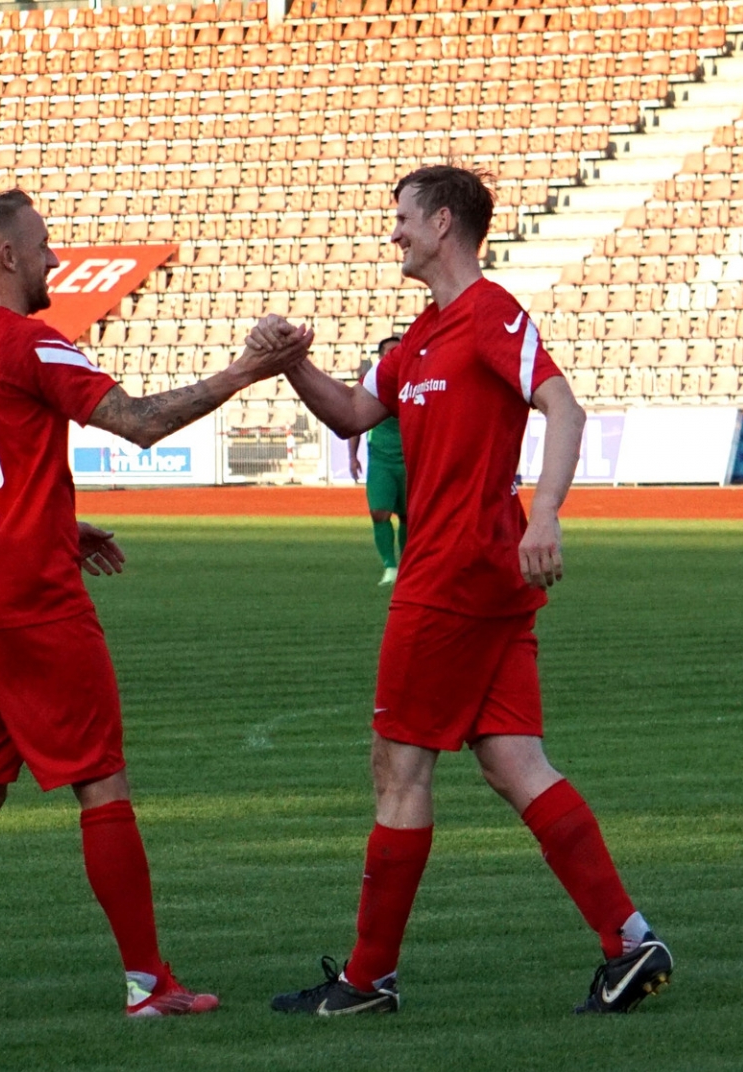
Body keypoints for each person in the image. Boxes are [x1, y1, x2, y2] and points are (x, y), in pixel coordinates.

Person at [0, 189, 311, 1022]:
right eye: (43, 245)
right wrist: (247, 371)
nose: (54, 258)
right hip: (35, 601)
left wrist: (55, 523)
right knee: (103, 782)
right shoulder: (32, 341)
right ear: (7, 256)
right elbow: (138, 423)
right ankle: (148, 984)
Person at [256, 165, 673, 1017]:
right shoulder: (421, 334)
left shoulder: (489, 314)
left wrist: (544, 514)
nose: (395, 233)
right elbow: (351, 414)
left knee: (398, 768)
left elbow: (565, 409)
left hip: (451, 579)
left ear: (444, 223)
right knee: (514, 761)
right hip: (480, 582)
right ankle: (630, 942)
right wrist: (291, 364)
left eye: (404, 218)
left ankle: (369, 979)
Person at [347, 334, 406, 585]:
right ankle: (390, 566)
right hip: (381, 459)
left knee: (410, 516)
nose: (394, 356)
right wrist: (352, 457)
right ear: (380, 357)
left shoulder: (416, 379)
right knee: (379, 512)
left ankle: (407, 566)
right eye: (389, 352)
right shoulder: (372, 385)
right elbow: (355, 420)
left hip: (411, 460)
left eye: (398, 351)